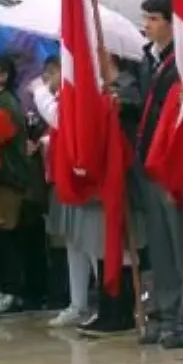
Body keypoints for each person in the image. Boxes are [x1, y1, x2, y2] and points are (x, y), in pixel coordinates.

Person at [35, 58, 147, 335]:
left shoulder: (127, 88)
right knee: (99, 246)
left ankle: (120, 312)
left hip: (122, 178)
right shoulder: (100, 91)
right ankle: (107, 308)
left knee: (117, 248)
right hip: (100, 180)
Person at [136, 0, 183, 347]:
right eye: (145, 18)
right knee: (161, 247)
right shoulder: (148, 60)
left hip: (174, 166)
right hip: (150, 166)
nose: (146, 25)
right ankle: (166, 314)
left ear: (170, 22)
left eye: (153, 18)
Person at [0, 55, 34, 316]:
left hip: (5, 181)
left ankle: (10, 290)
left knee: (2, 236)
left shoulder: (5, 104)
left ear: (3, 76)